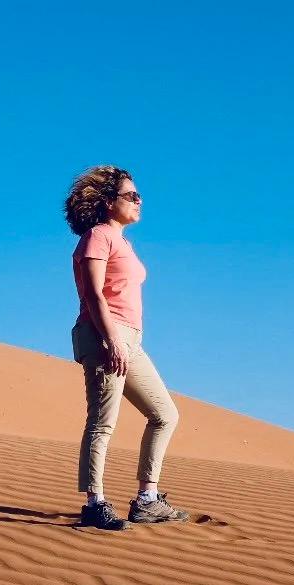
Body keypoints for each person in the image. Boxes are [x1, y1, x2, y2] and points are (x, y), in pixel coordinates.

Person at [65, 166, 188, 530]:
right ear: (108, 202)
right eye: (131, 196)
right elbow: (93, 293)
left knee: (165, 414)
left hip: (130, 338)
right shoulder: (97, 236)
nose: (139, 201)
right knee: (103, 422)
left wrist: (124, 339)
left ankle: (147, 500)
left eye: (139, 196)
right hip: (105, 334)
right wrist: (111, 338)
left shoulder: (121, 241)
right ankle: (94, 502)